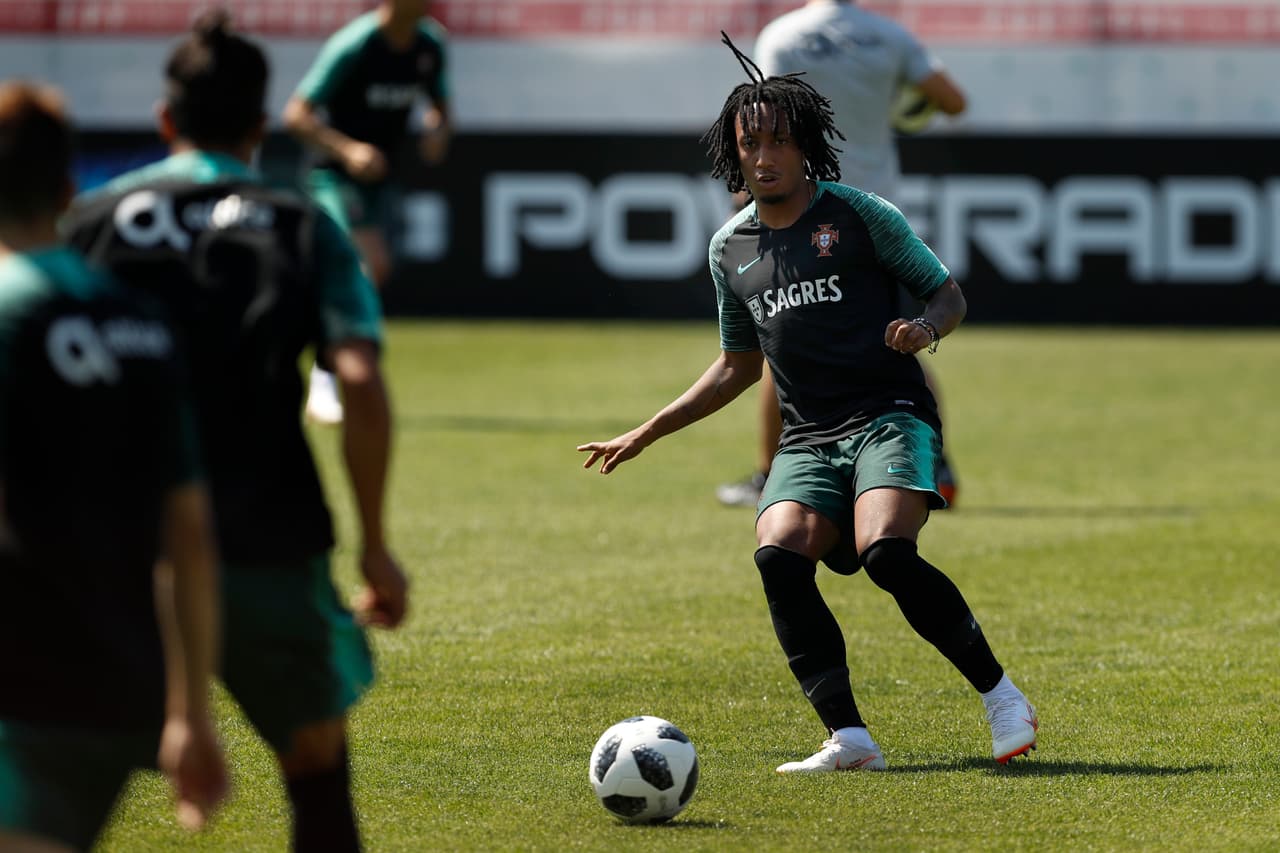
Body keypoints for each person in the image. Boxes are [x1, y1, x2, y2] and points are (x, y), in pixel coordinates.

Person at [578, 37, 1037, 772]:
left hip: (890, 414)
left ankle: (1003, 695)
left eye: (780, 142)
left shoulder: (860, 215)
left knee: (885, 552)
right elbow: (737, 365)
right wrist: (649, 429)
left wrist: (925, 328)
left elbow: (947, 291)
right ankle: (848, 737)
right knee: (777, 555)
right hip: (807, 439)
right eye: (749, 142)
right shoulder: (730, 248)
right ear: (733, 153)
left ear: (807, 147)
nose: (765, 157)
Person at [65, 12, 408, 851]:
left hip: (117, 551)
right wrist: (373, 542)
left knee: (56, 792)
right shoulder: (300, 224)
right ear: (261, 128)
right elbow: (358, 383)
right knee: (318, 776)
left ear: (165, 120)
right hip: (267, 541)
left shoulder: (92, 221)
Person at [0, 80, 226, 849]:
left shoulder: (7, 311)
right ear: (68, 188)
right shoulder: (141, 323)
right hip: (112, 686)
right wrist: (189, 713)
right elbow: (188, 534)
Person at [716, 0, 967, 509]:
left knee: (784, 339)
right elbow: (953, 101)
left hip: (802, 209)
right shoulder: (889, 37)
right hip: (873, 214)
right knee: (897, 337)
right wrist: (900, 102)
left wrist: (750, 193)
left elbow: (761, 110)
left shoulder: (784, 35)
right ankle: (935, 464)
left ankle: (770, 474)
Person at [284, 0, 451, 425]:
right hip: (332, 176)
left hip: (379, 180)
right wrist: (349, 150)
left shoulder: (431, 44)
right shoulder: (355, 45)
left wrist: (436, 127)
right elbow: (297, 115)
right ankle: (325, 380)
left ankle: (322, 369)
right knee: (365, 264)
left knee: (370, 272)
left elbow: (441, 107)